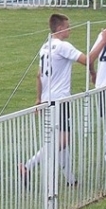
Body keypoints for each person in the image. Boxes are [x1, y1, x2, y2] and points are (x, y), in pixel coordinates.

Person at [20, 14, 91, 186]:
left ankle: (70, 179)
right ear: (60, 28)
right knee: (62, 140)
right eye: (68, 26)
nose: (71, 29)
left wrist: (38, 98)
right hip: (59, 100)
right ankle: (27, 165)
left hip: (47, 98)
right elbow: (87, 60)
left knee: (60, 140)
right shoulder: (63, 46)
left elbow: (39, 75)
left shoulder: (45, 46)